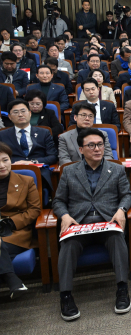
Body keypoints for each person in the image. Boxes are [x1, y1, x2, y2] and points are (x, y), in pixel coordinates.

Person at [53, 128, 131, 320]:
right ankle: (65, 295)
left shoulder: (117, 169)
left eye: (100, 145)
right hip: (79, 222)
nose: (97, 149)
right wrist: (64, 215)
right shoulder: (69, 171)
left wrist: (121, 210)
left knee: (117, 237)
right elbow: (58, 201)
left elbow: (127, 195)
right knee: (68, 244)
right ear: (81, 149)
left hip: (108, 221)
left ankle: (122, 289)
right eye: (91, 145)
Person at [0, 141, 40, 300]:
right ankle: (13, 280)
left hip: (16, 231)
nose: (2, 165)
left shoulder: (26, 181)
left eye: (5, 160)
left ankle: (12, 280)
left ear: (11, 160)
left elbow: (34, 210)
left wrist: (10, 221)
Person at [0, 99, 57, 195]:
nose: (20, 115)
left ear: (30, 113)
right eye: (16, 112)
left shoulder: (44, 133)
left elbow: (53, 156)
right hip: (12, 171)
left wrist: (32, 162)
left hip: (38, 171)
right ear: (9, 117)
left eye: (23, 111)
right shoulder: (2, 135)